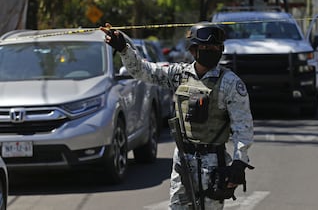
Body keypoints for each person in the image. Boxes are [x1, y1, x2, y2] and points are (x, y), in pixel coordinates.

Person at [101, 23, 254, 210]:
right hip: (183, 160)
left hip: (215, 165)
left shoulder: (230, 83)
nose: (211, 52)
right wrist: (124, 49)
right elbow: (142, 71)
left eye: (216, 48)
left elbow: (243, 127)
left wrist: (239, 162)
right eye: (206, 48)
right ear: (194, 50)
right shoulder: (179, 75)